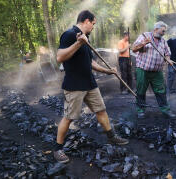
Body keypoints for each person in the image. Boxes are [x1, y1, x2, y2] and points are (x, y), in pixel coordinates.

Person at [54, 10, 129, 163]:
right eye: (93, 24)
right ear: (86, 21)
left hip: (90, 83)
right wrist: (78, 43)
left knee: (101, 110)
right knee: (69, 117)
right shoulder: (69, 34)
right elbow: (60, 57)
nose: (93, 27)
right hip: (74, 85)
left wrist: (108, 71)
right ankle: (57, 149)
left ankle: (112, 136)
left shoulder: (85, 38)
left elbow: (91, 63)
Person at [132, 21, 176, 120]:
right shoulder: (144, 36)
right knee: (141, 90)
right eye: (162, 31)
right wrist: (143, 43)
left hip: (157, 71)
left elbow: (167, 53)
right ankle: (140, 110)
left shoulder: (163, 41)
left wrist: (168, 59)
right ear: (156, 29)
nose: (164, 33)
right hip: (143, 69)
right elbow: (134, 49)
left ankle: (165, 110)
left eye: (165, 31)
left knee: (161, 90)